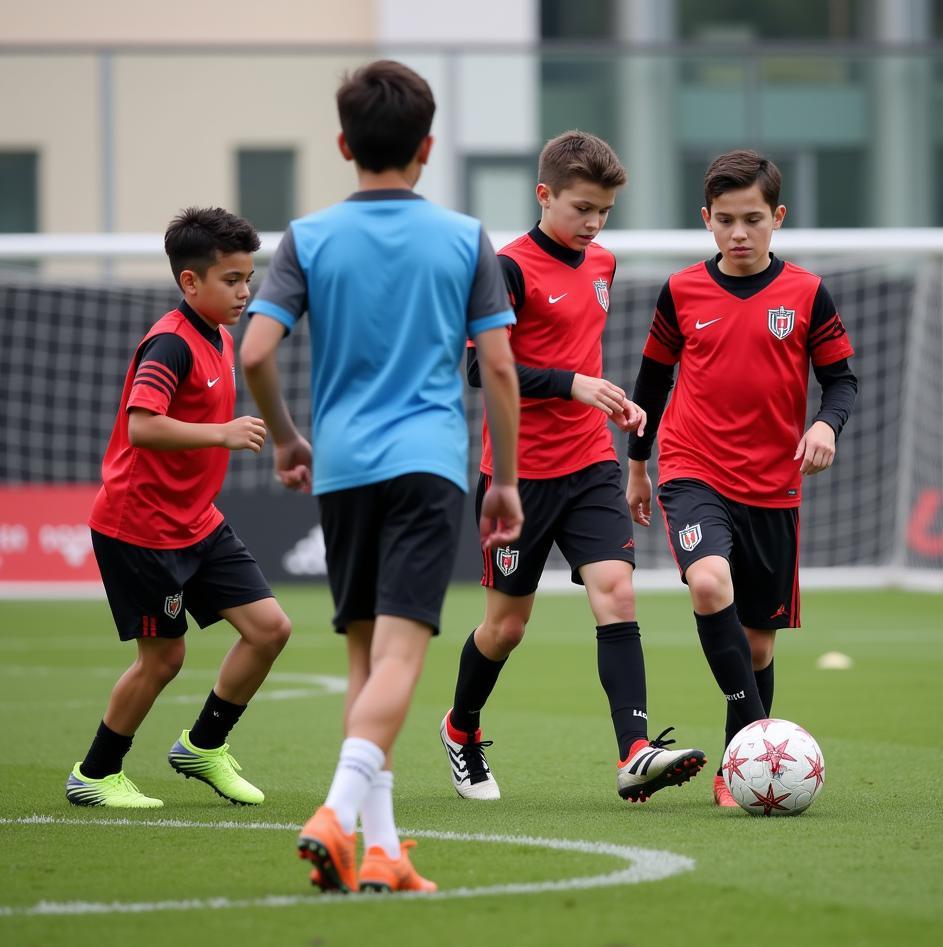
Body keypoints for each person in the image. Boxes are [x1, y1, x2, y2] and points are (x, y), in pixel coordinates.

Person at [241, 60, 522, 895]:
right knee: (402, 658)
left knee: (367, 655)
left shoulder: (310, 236)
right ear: (428, 147)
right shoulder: (465, 238)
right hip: (428, 464)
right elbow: (500, 373)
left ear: (341, 144)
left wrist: (289, 439)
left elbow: (255, 350)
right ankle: (334, 813)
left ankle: (385, 851)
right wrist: (505, 480)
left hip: (346, 470)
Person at [439, 130, 706, 805]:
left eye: (604, 212)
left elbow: (578, 356)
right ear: (543, 195)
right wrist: (571, 384)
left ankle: (635, 752)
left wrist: (610, 401)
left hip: (589, 463)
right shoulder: (506, 268)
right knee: (507, 627)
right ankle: (461, 729)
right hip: (517, 479)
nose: (593, 224)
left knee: (616, 593)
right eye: (581, 208)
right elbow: (478, 367)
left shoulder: (603, 264)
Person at [626, 150, 858, 807]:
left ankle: (740, 766)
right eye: (725, 220)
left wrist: (824, 427)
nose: (738, 233)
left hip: (774, 487)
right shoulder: (682, 291)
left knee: (758, 645)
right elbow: (652, 381)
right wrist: (638, 466)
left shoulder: (807, 293)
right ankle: (753, 751)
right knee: (708, 579)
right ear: (706, 219)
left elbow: (841, 380)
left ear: (777, 217)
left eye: (752, 219)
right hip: (694, 468)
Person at [67, 207, 292, 810]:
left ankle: (203, 746)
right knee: (164, 658)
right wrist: (220, 433)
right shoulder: (170, 341)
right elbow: (143, 427)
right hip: (139, 526)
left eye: (249, 277)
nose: (245, 291)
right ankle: (95, 773)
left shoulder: (218, 332)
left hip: (198, 521)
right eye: (232, 280)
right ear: (190, 282)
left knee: (270, 629)